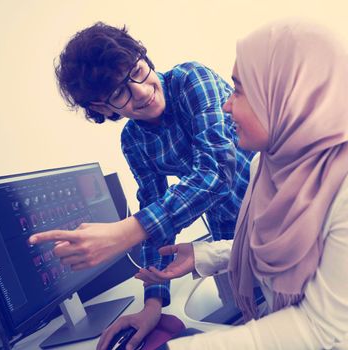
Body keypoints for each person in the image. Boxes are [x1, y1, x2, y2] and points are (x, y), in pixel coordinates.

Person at [133, 19, 348, 349]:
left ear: (286, 94)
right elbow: (278, 247)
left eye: (238, 89)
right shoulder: (268, 168)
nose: (226, 104)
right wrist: (205, 255)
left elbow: (317, 329)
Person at [28, 22, 254, 349]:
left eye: (137, 70)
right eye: (119, 92)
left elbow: (218, 171)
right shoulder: (133, 141)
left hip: (283, 218)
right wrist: (152, 303)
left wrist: (126, 232)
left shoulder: (193, 79)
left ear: (143, 56)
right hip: (227, 241)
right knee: (256, 325)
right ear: (102, 108)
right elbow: (153, 205)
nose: (142, 91)